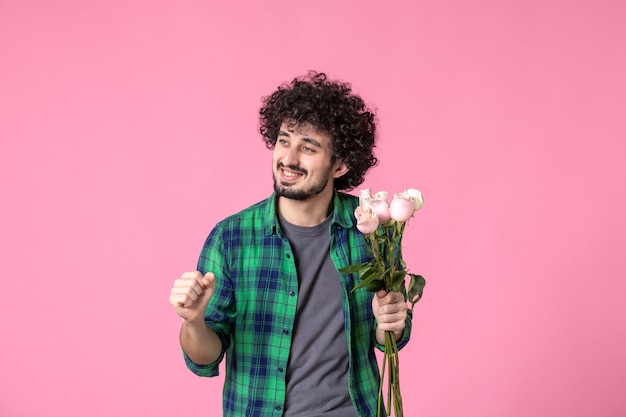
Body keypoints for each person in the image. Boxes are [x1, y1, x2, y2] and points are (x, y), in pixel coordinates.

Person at [169, 71, 412, 417]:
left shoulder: (373, 230)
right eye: (284, 141)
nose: (289, 159)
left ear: (340, 164)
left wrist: (391, 320)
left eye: (308, 148)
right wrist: (193, 321)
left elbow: (391, 338)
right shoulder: (231, 238)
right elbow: (205, 357)